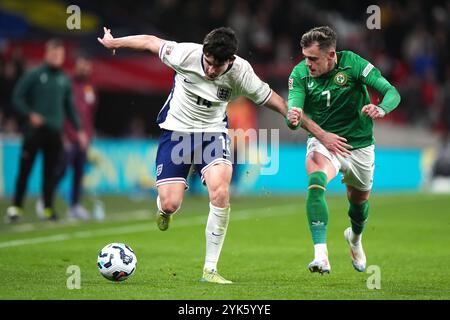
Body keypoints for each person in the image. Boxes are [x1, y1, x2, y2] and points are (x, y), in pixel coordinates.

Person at [98, 26, 349, 284]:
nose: (210, 70)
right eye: (207, 63)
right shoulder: (184, 54)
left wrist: (321, 134)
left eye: (217, 67)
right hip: (176, 133)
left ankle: (210, 269)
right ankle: (164, 211)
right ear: (204, 53)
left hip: (213, 134)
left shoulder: (242, 73)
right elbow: (150, 41)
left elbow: (280, 104)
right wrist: (115, 41)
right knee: (171, 203)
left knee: (220, 190)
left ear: (230, 61)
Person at [287, 26, 401, 274]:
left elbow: (391, 92)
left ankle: (355, 238)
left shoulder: (354, 64)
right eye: (305, 57)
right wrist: (294, 117)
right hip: (322, 142)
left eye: (313, 58)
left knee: (358, 203)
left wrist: (381, 109)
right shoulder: (299, 74)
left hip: (359, 145)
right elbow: (293, 112)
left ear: (331, 55)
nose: (307, 63)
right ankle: (321, 255)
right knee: (316, 181)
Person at [5, 39, 88, 223]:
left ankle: (48, 208)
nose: (56, 57)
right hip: (34, 132)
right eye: (53, 53)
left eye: (60, 55)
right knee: (25, 170)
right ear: (46, 53)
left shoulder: (64, 79)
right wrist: (30, 114)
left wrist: (80, 130)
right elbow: (17, 97)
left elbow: (70, 108)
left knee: (50, 173)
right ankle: (16, 207)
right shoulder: (34, 74)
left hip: (54, 133)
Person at [55, 54, 97, 220]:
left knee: (79, 173)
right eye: (82, 65)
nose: (85, 69)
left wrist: (88, 135)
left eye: (87, 66)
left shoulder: (90, 87)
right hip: (68, 136)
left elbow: (90, 114)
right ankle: (46, 201)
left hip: (83, 139)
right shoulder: (66, 84)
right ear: (76, 65)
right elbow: (60, 111)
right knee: (61, 169)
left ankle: (74, 206)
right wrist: (63, 135)